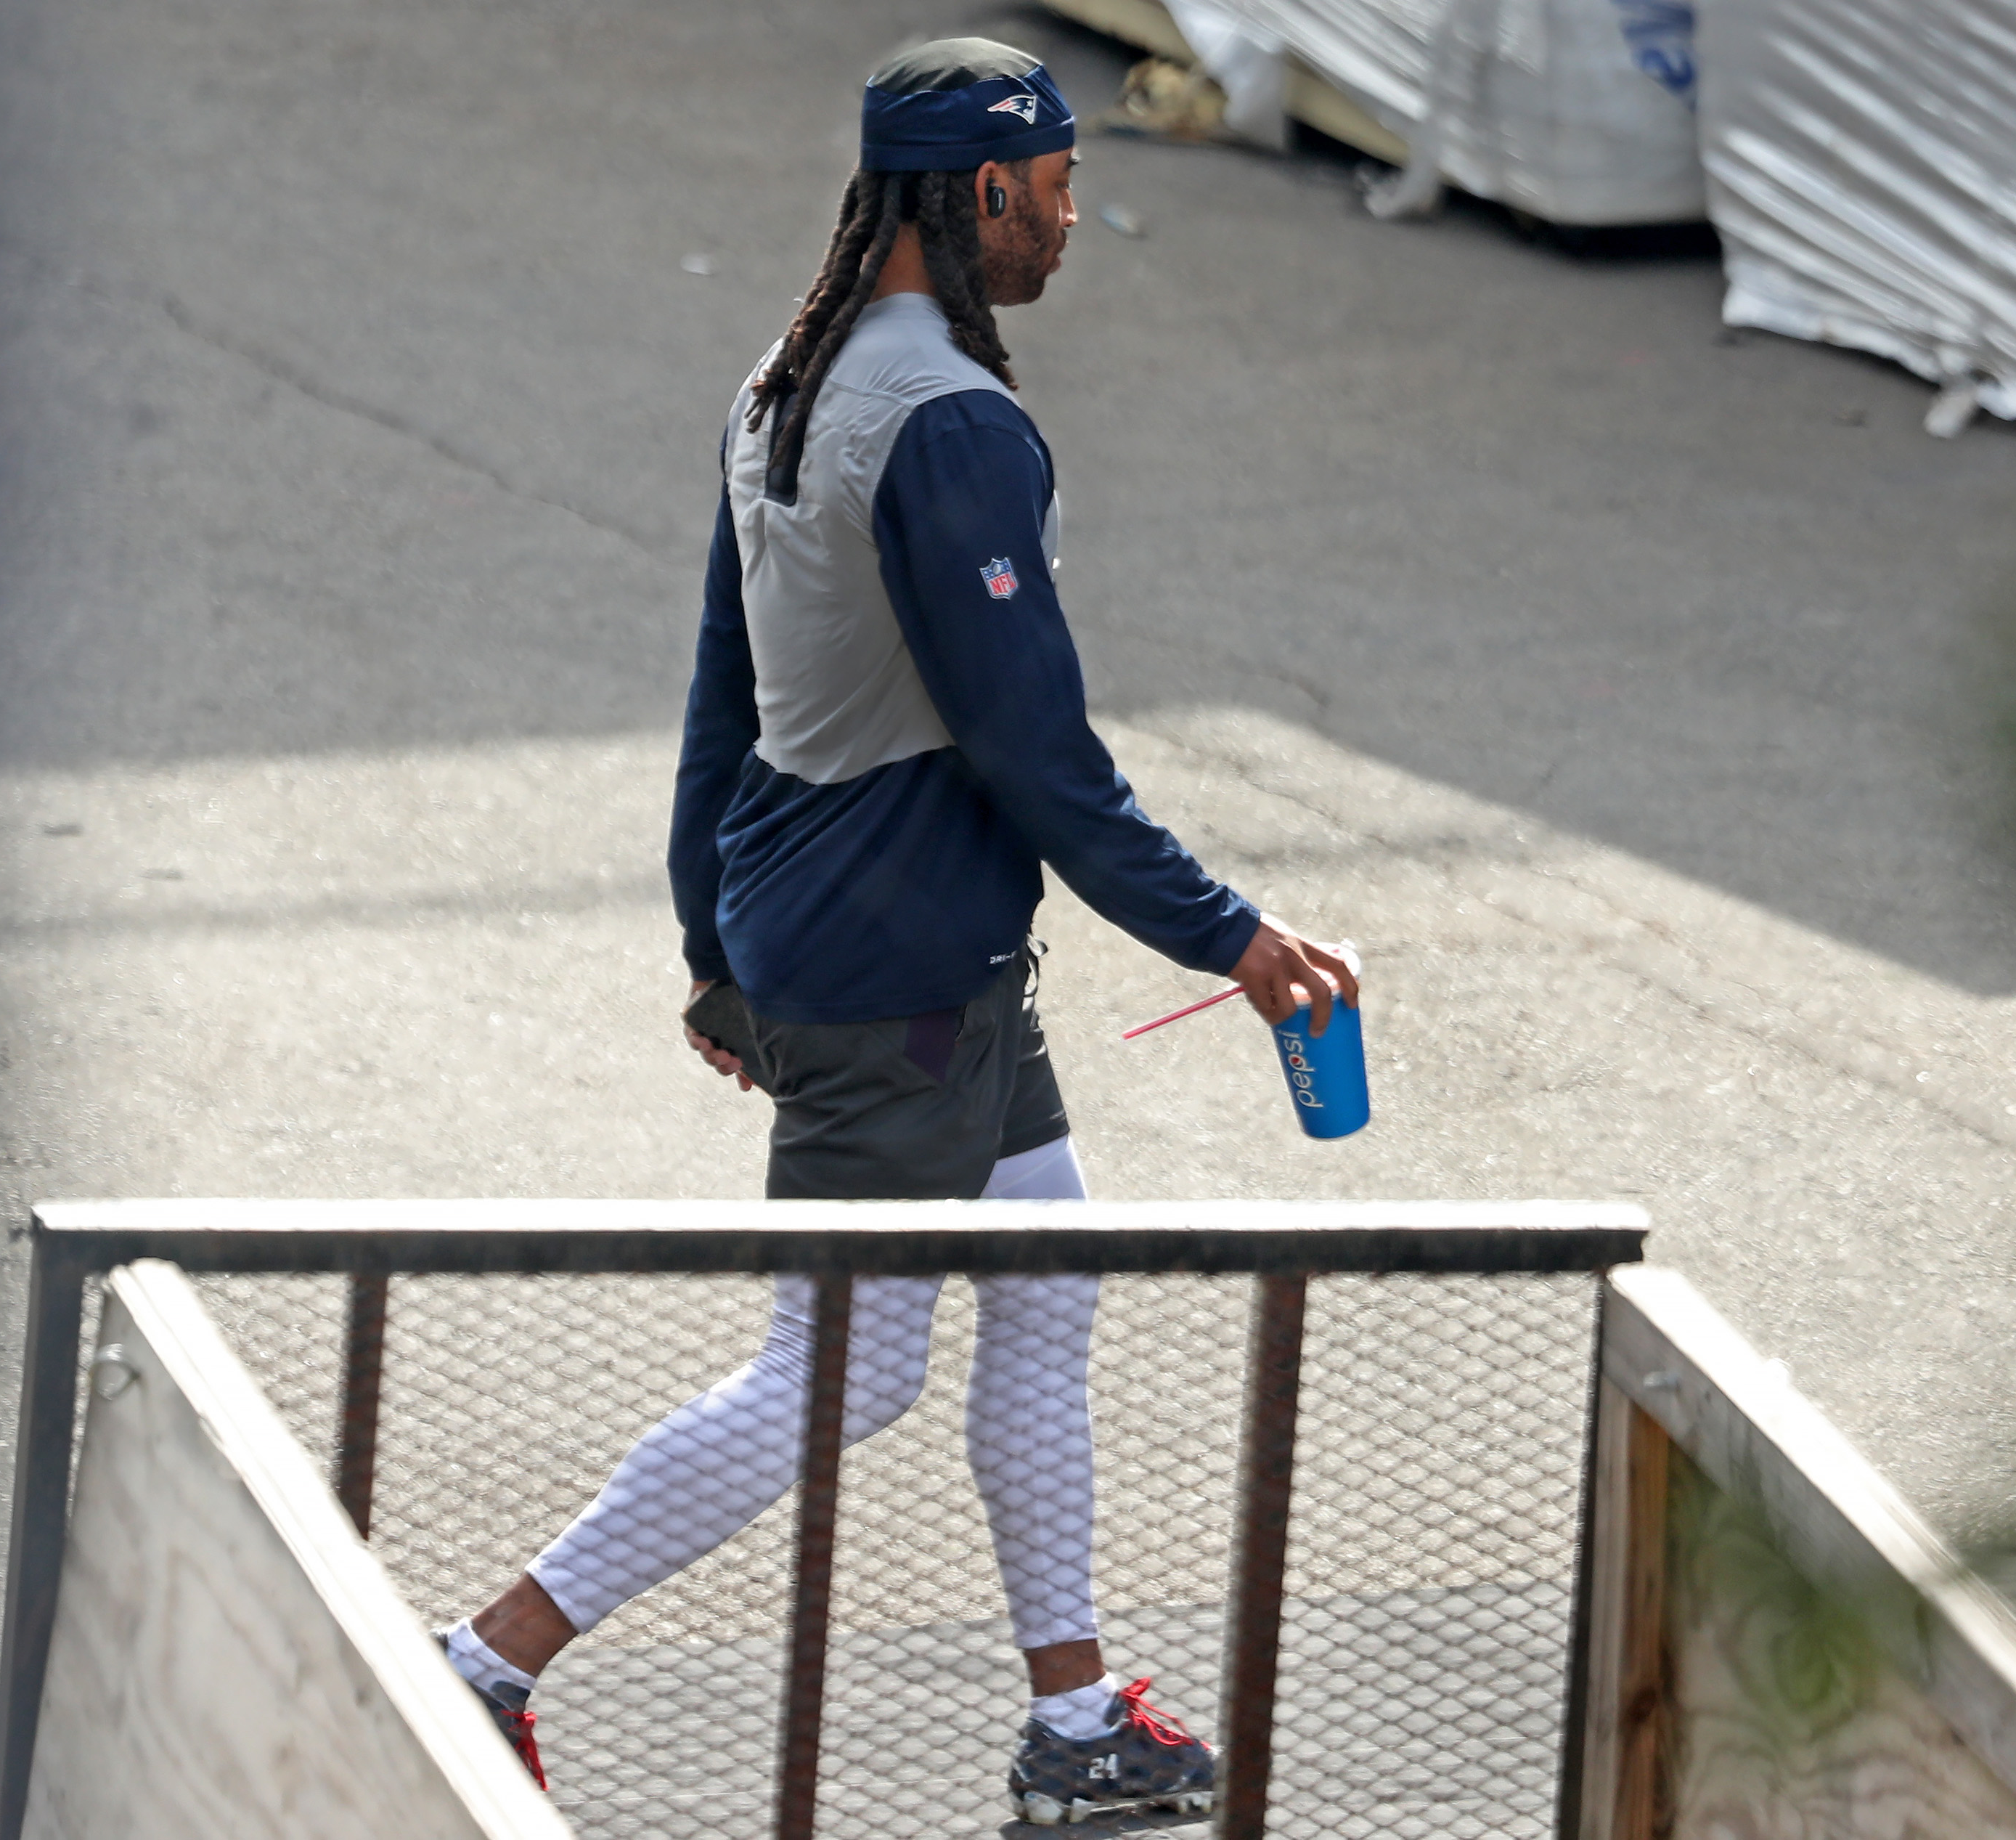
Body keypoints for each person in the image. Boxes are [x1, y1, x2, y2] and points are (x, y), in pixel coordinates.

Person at [434, 38, 1358, 1825]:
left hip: (855, 934)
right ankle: (482, 1663)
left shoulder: (786, 377)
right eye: (1058, 185)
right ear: (977, 191)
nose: (1077, 218)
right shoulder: (945, 424)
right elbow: (1035, 756)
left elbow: (727, 684)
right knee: (835, 1377)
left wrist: (713, 933)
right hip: (897, 969)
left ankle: (1074, 1720)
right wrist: (1232, 940)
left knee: (1046, 1283)